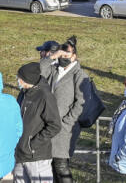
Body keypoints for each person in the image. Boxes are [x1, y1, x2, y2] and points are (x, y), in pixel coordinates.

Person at [13, 62, 61, 183]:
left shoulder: (45, 96)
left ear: (28, 79)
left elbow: (55, 125)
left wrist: (32, 144)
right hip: (19, 154)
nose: (17, 80)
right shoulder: (23, 94)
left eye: (20, 77)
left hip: (37, 156)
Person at [49, 37, 87, 183]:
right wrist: (52, 57)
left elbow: (81, 103)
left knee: (61, 165)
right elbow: (39, 71)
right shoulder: (55, 70)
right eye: (62, 55)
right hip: (51, 126)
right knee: (52, 165)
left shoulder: (79, 75)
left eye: (67, 56)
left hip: (65, 128)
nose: (64, 58)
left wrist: (67, 122)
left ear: (74, 56)